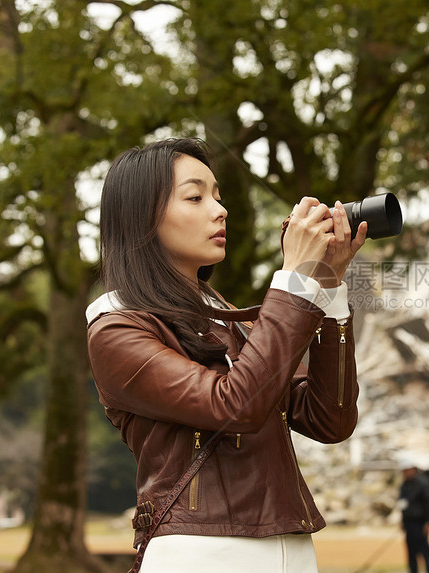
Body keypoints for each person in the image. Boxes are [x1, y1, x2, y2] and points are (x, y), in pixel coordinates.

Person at [86, 137, 367, 572]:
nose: (220, 210)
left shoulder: (230, 321)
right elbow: (235, 405)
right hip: (201, 553)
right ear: (142, 218)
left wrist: (328, 286)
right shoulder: (118, 329)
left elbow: (330, 419)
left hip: (292, 549)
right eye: (195, 197)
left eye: (217, 196)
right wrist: (292, 277)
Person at [398, 462, 429, 573]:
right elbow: (403, 505)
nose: (405, 473)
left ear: (413, 469)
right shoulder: (404, 485)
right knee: (411, 552)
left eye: (407, 470)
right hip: (409, 524)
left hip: (420, 522)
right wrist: (403, 521)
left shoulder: (422, 484)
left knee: (425, 552)